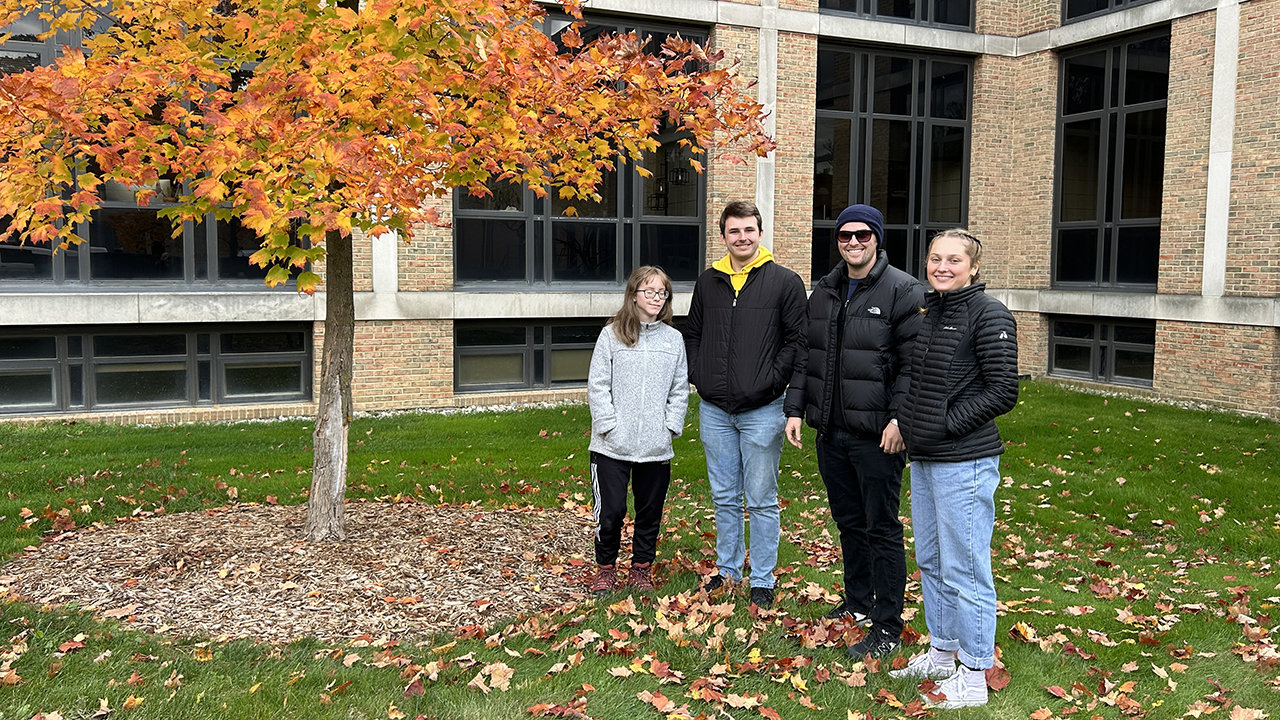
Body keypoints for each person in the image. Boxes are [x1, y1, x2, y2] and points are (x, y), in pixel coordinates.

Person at [783, 203, 924, 659]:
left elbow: (912, 366)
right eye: (846, 236)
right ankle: (859, 603)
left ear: (877, 239)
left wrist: (900, 419)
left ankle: (887, 625)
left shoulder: (903, 290)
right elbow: (808, 356)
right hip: (832, 432)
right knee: (848, 523)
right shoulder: (824, 291)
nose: (854, 243)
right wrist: (795, 409)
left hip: (877, 435)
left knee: (881, 527)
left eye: (863, 235)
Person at [890, 229, 1019, 709]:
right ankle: (944, 652)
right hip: (925, 458)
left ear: (973, 267)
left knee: (966, 570)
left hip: (964, 461)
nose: (942, 267)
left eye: (953, 260)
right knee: (933, 562)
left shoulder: (990, 315)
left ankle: (973, 673)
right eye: (935, 258)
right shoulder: (933, 311)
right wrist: (908, 423)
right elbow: (917, 379)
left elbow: (1003, 390)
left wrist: (943, 425)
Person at [685, 200, 807, 609]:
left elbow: (797, 343)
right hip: (715, 408)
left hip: (763, 410)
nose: (742, 238)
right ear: (724, 236)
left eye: (749, 230)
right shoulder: (709, 282)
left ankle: (763, 579)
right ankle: (729, 571)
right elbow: (694, 335)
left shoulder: (785, 282)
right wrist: (699, 375)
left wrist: (771, 382)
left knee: (761, 498)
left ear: (760, 232)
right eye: (734, 231)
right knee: (724, 496)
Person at [587, 266, 690, 596]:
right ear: (634, 295)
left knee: (650, 513)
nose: (657, 298)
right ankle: (605, 569)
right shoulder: (612, 335)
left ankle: (641, 569)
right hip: (611, 447)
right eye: (650, 292)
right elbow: (598, 385)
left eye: (662, 293)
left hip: (655, 447)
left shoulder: (673, 340)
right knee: (612, 512)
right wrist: (608, 426)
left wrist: (670, 426)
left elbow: (679, 388)